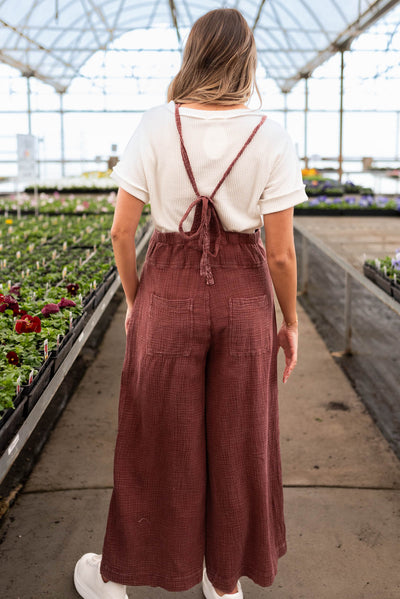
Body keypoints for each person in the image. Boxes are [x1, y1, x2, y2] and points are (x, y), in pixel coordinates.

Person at [73, 7, 307, 599]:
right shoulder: (272, 136)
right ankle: (223, 581)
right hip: (245, 298)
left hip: (168, 290)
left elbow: (122, 234)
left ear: (193, 55)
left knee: (158, 435)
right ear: (245, 60)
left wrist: (135, 299)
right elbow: (280, 255)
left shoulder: (155, 125)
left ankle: (121, 579)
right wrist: (291, 322)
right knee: (239, 438)